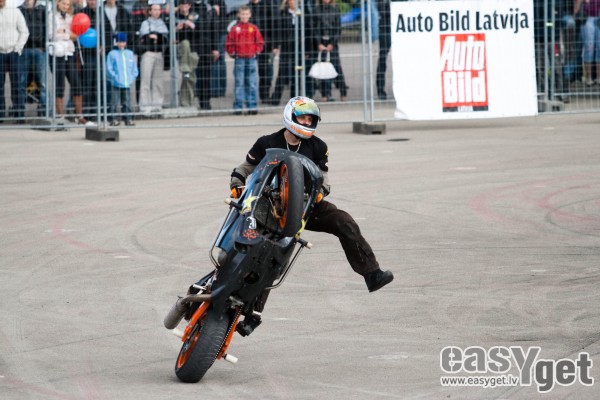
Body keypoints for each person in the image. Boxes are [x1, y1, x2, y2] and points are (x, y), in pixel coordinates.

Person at [229, 96, 394, 334]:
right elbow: (245, 168)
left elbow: (323, 176)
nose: (307, 122)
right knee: (272, 255)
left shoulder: (319, 146)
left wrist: (321, 192)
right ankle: (252, 315)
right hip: (271, 207)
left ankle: (372, 274)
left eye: (311, 119)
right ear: (290, 117)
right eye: (303, 118)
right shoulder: (267, 142)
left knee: (343, 220)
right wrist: (237, 183)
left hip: (306, 205)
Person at [48, 0, 93, 125]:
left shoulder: (71, 17)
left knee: (76, 84)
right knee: (60, 86)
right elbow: (51, 35)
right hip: (57, 54)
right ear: (58, 3)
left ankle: (79, 116)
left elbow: (76, 34)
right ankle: (60, 116)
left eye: (67, 4)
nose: (65, 6)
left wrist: (62, 32)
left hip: (69, 52)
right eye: (63, 3)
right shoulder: (51, 16)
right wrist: (68, 35)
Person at [225, 5, 264, 115]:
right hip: (239, 60)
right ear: (238, 15)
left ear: (250, 15)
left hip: (251, 59)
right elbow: (229, 43)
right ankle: (238, 107)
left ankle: (252, 106)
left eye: (246, 14)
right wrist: (233, 53)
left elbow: (260, 42)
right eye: (242, 14)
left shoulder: (253, 28)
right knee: (239, 83)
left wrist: (257, 51)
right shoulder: (235, 29)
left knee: (251, 83)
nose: (244, 16)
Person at [0, 0, 29, 123]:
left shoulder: (15, 11)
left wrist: (18, 48)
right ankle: (0, 115)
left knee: (17, 85)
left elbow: (24, 31)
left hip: (14, 52)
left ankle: (19, 115)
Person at [313, 0, 348, 102]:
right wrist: (318, 43)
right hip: (321, 44)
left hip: (332, 44)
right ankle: (325, 93)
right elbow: (314, 29)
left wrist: (332, 43)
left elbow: (338, 29)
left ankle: (343, 92)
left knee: (336, 67)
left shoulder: (335, 10)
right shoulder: (316, 10)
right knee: (323, 68)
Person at [138, 3, 169, 114]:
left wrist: (156, 37)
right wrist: (155, 37)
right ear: (150, 11)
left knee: (158, 81)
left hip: (159, 53)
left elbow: (164, 39)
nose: (156, 12)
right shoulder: (145, 23)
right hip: (148, 54)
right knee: (145, 80)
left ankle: (157, 105)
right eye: (154, 9)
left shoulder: (162, 24)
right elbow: (145, 38)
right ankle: (145, 106)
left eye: (158, 10)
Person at [270, 0, 300, 106]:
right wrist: (275, 46)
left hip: (298, 48)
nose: (293, 2)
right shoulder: (283, 13)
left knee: (297, 73)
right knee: (282, 73)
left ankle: (295, 100)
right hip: (286, 47)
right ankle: (275, 99)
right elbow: (278, 31)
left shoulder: (302, 13)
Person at [19, 0, 46, 117]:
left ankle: (45, 111)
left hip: (39, 50)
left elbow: (46, 28)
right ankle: (19, 114)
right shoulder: (19, 10)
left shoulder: (42, 9)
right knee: (21, 82)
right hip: (24, 50)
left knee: (42, 82)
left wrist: (43, 46)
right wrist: (19, 47)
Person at [191, 0, 219, 110]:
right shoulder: (189, 8)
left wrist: (215, 48)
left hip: (206, 47)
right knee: (192, 76)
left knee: (206, 76)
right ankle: (191, 100)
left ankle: (205, 101)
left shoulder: (209, 9)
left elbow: (214, 29)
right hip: (193, 47)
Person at [248, 0, 278, 104]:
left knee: (267, 73)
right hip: (251, 46)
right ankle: (250, 98)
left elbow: (274, 26)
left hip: (266, 45)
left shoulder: (268, 6)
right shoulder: (247, 8)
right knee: (252, 73)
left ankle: (265, 95)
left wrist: (274, 45)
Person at [106, 32, 138, 126]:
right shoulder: (112, 54)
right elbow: (109, 68)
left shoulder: (129, 53)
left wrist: (131, 77)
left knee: (127, 102)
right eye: (119, 42)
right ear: (116, 42)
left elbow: (134, 68)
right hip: (115, 82)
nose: (121, 44)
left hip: (126, 83)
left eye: (123, 42)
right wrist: (114, 77)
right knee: (113, 102)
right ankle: (112, 119)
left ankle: (128, 119)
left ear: (126, 42)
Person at [175, 0, 200, 107]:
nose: (184, 8)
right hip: (180, 50)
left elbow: (201, 33)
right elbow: (169, 35)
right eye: (182, 5)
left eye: (186, 5)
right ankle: (185, 68)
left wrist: (192, 26)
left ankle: (187, 102)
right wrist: (176, 29)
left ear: (189, 5)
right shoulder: (174, 17)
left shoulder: (195, 16)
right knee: (185, 43)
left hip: (192, 51)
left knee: (190, 77)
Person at [574, 0, 600, 86]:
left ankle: (598, 77)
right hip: (587, 18)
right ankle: (588, 78)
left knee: (599, 49)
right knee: (589, 48)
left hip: (598, 17)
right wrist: (575, 13)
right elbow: (577, 3)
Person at [376, 0, 392, 100]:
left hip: (399, 27)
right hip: (385, 29)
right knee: (382, 60)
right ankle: (380, 89)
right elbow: (382, 10)